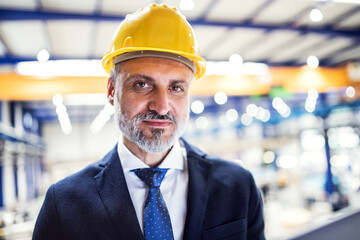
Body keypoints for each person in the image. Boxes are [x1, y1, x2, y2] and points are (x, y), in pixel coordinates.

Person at [32, 3, 265, 240]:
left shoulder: (238, 187)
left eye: (176, 87)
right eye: (142, 85)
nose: (162, 107)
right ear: (112, 91)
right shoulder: (64, 205)